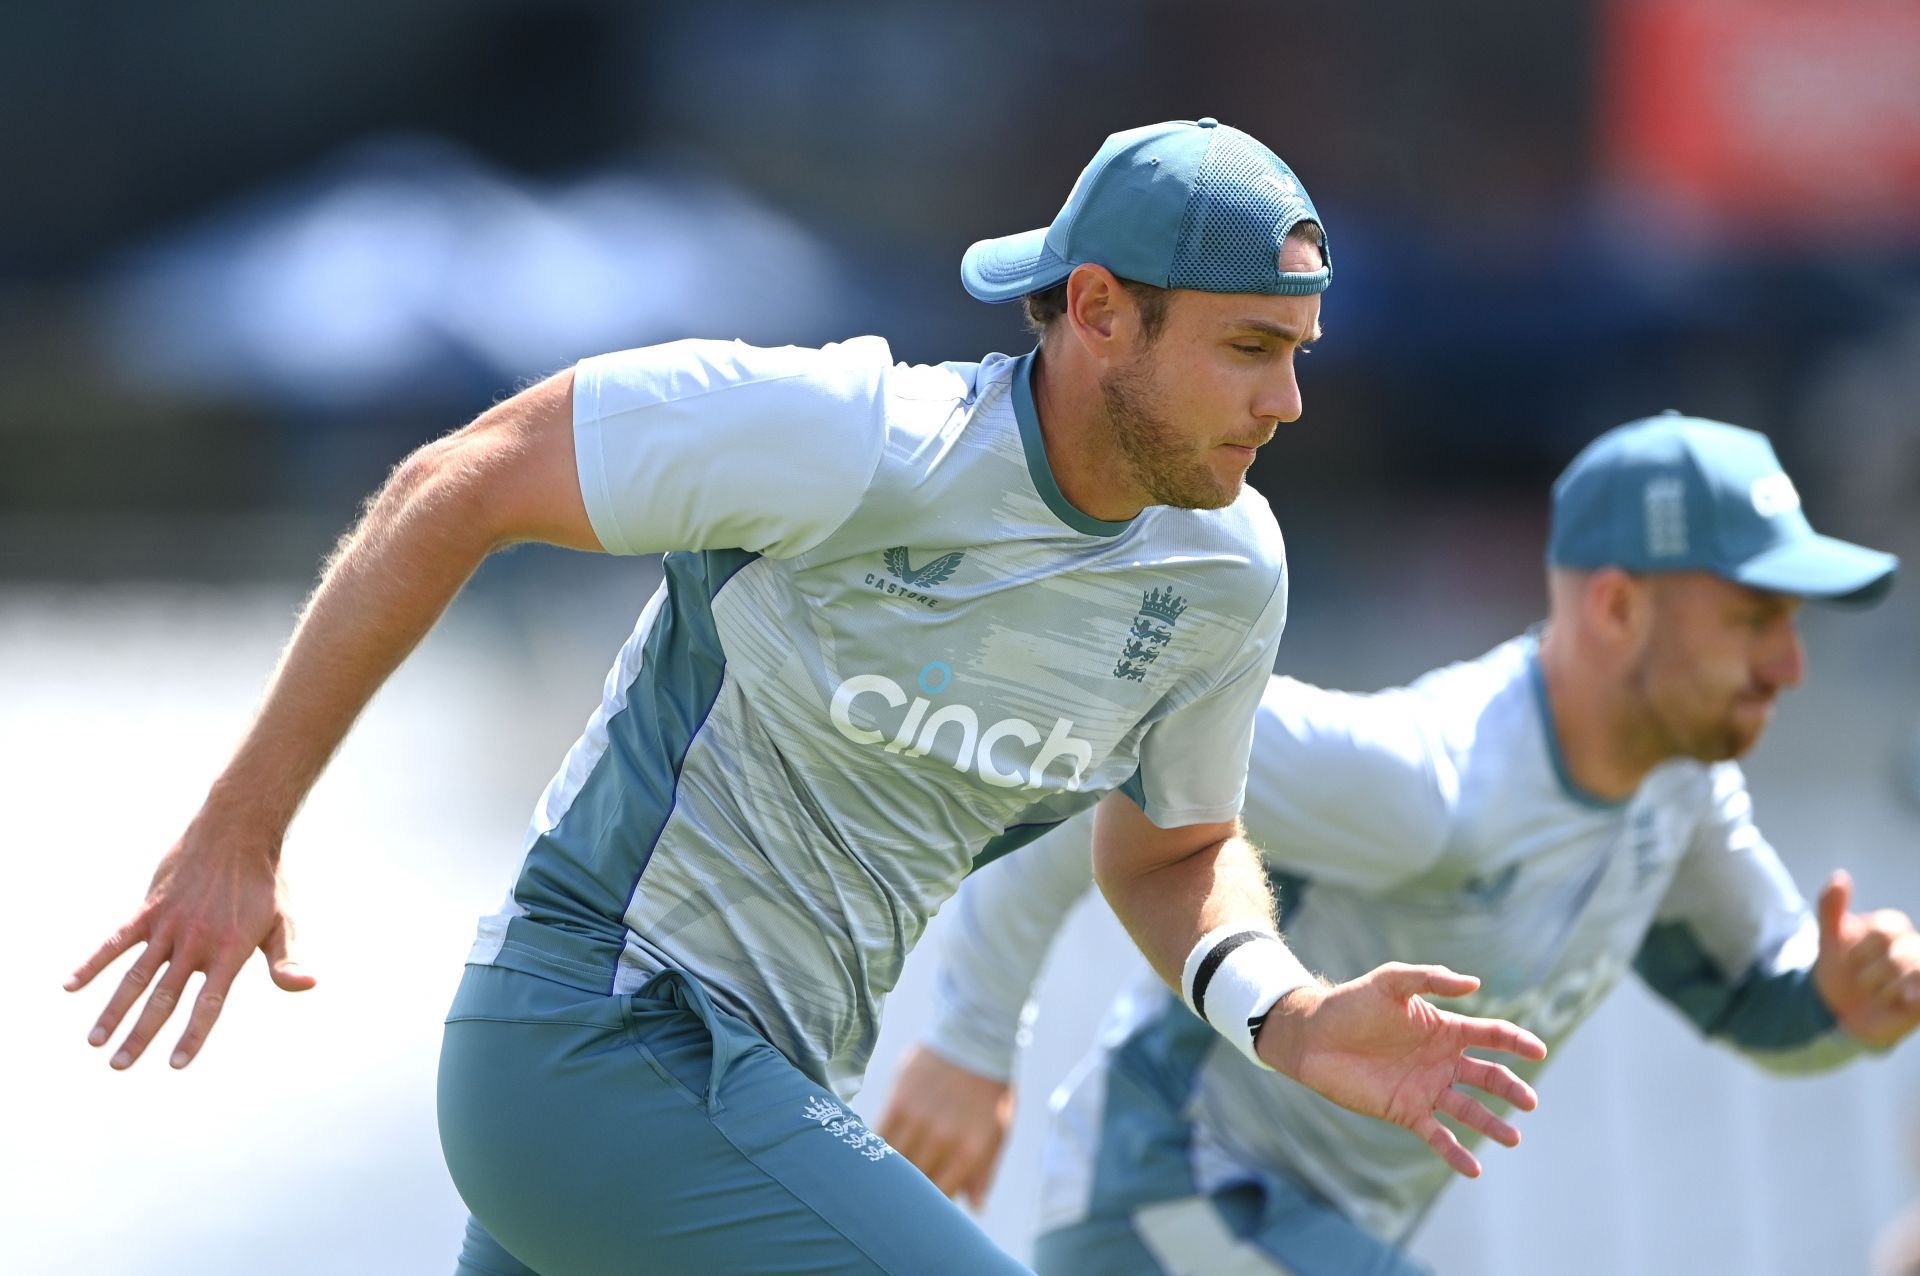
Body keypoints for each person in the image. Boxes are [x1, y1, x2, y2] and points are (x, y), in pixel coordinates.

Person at [63, 118, 1546, 1275]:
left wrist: (1284, 1015)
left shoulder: (1228, 572)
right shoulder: (852, 440)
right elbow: (452, 486)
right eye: (1248, 349)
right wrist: (240, 835)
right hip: (596, 1036)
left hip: (751, 1094)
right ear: (1098, 309)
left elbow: (1167, 849)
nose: (1287, 403)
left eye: (1295, 356)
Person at [879, 413, 1920, 1275]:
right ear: (1615, 607)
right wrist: (971, 1041)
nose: (1789, 663)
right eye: (1751, 618)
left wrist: (1847, 1001)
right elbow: (1115, 744)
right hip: (1173, 1196)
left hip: (1302, 1238)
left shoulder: (1684, 790)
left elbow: (1767, 997)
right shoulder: (1431, 780)